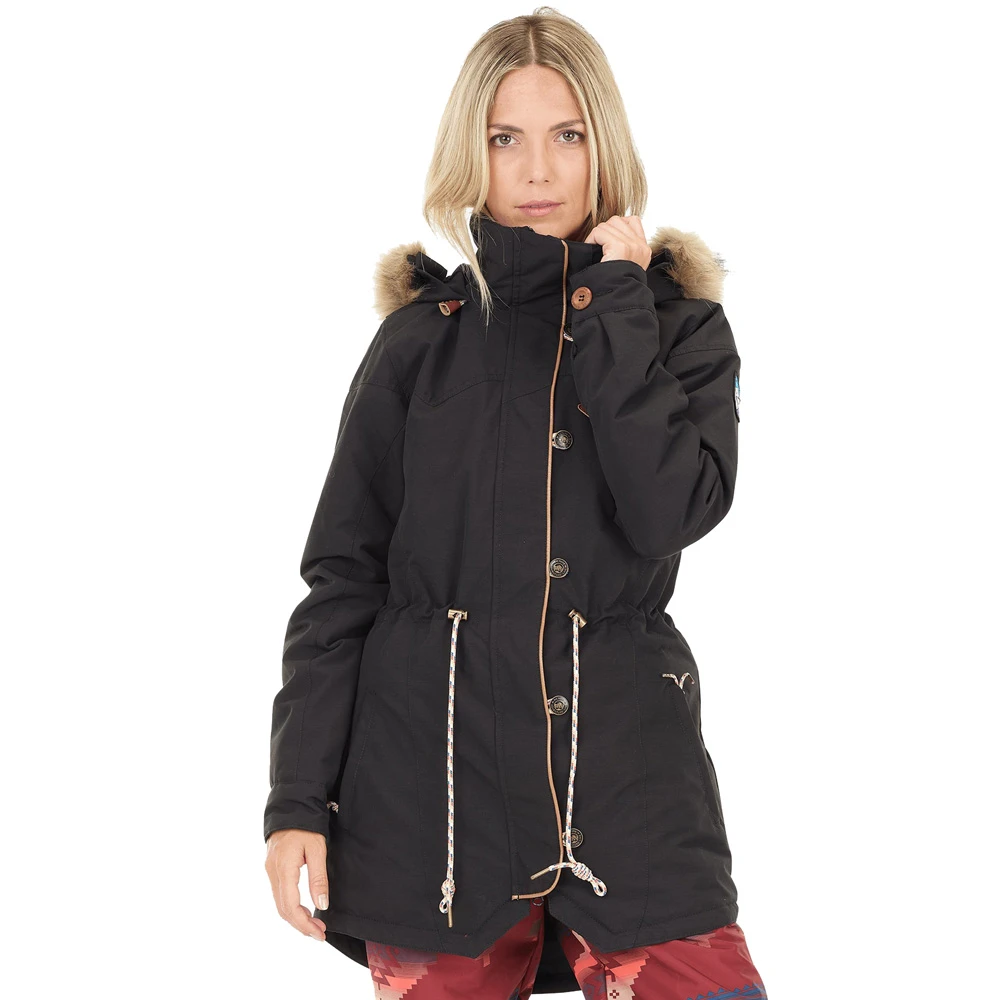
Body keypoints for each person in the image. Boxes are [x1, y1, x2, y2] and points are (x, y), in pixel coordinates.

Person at [263, 7, 766, 998]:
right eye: (505, 139)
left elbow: (672, 510)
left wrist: (614, 303)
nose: (538, 169)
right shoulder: (419, 342)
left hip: (629, 782)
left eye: (567, 134)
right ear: (472, 153)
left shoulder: (677, 327)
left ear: (603, 144)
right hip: (430, 799)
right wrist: (296, 800)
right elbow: (343, 579)